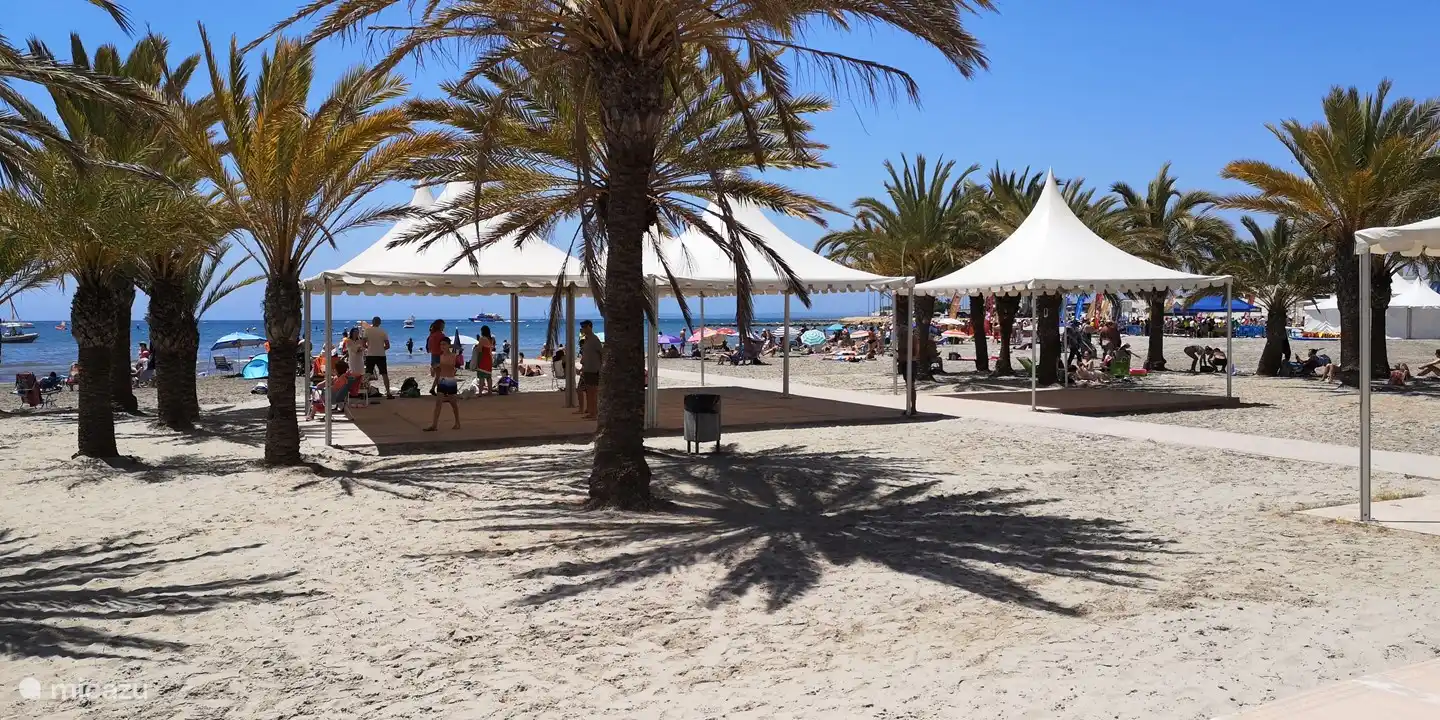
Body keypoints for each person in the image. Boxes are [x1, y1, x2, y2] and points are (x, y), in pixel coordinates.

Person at [423, 338, 461, 431]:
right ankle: (434, 425)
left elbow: (453, 367)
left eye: (444, 344)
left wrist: (440, 365)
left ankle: (457, 422)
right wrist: (434, 369)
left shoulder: (453, 356)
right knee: (438, 403)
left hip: (450, 381)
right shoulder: (440, 356)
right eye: (441, 345)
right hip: (442, 381)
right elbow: (436, 372)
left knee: (453, 403)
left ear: (448, 345)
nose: (442, 346)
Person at [578, 319, 602, 420]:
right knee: (589, 392)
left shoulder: (595, 339)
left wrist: (600, 367)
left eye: (584, 327)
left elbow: (601, 353)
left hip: (594, 369)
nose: (582, 329)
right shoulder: (587, 340)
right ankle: (591, 411)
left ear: (589, 327)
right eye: (582, 327)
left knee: (593, 392)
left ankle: (594, 413)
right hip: (587, 369)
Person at [364, 316, 393, 398]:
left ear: (372, 322)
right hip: (381, 355)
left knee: (368, 374)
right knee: (384, 374)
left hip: (370, 354)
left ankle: (364, 392)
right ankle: (388, 393)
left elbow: (363, 344)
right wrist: (381, 348)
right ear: (380, 323)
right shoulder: (383, 331)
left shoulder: (367, 331)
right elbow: (387, 346)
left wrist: (369, 348)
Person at [425, 320, 447, 394]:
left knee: (438, 376)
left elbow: (428, 349)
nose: (444, 327)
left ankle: (433, 389)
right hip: (440, 357)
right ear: (439, 326)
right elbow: (444, 346)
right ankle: (440, 391)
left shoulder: (431, 335)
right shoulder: (441, 335)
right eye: (443, 326)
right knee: (442, 376)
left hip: (433, 357)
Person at [474, 326, 496, 394]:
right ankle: (490, 392)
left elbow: (480, 350)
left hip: (483, 358)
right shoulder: (491, 339)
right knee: (489, 377)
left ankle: (480, 393)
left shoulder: (482, 338)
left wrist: (476, 347)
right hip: (489, 358)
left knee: (481, 377)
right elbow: (491, 348)